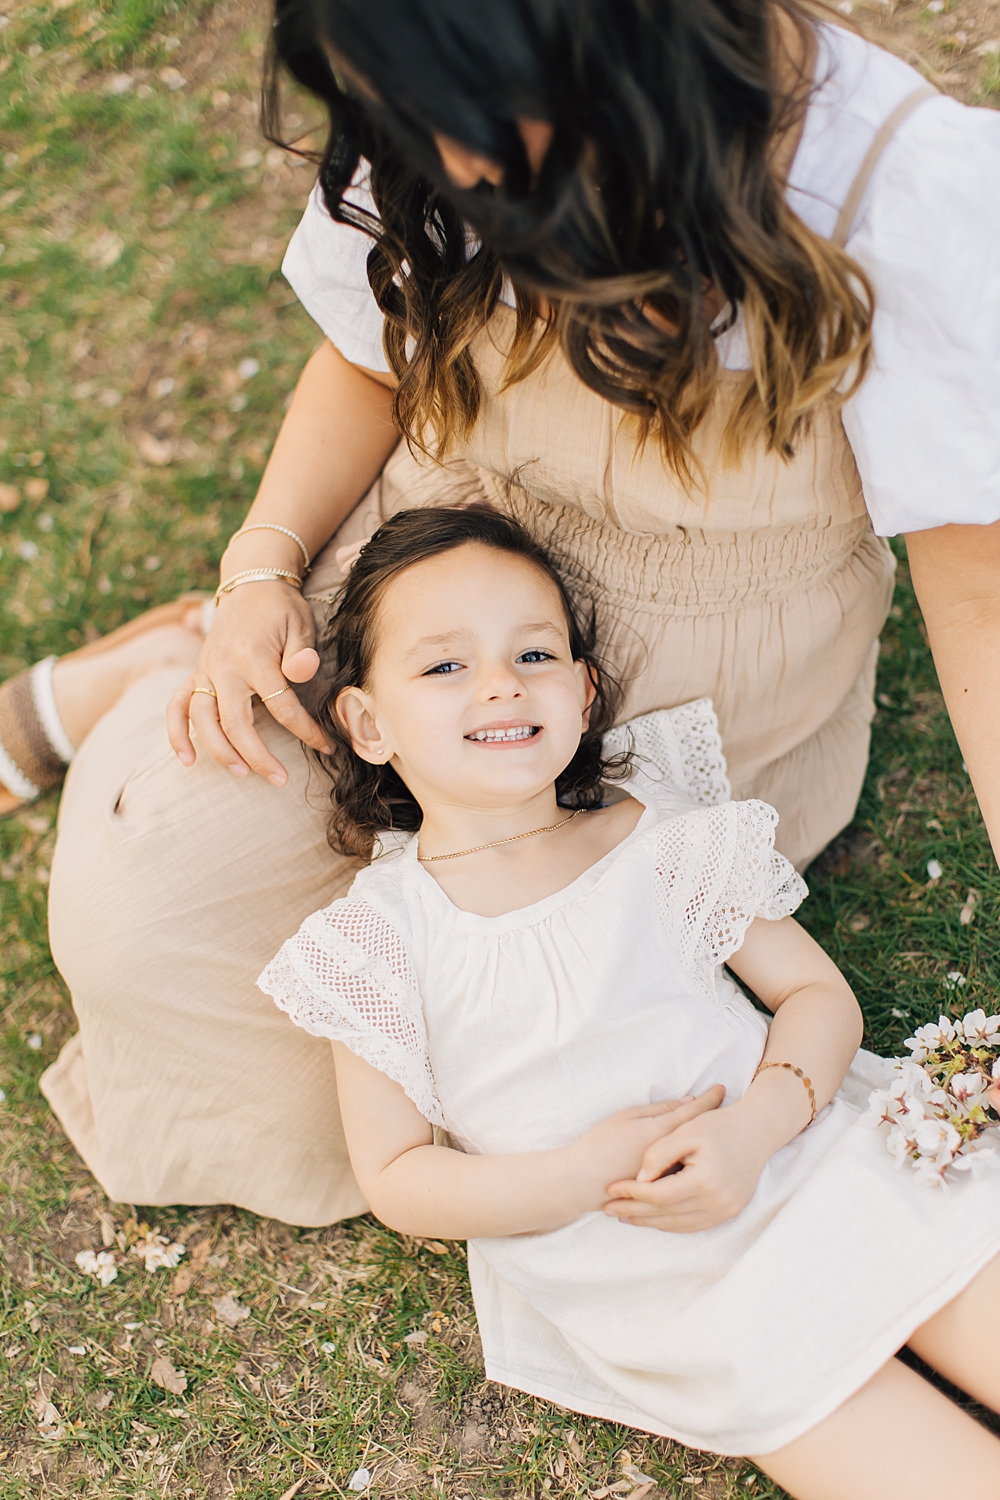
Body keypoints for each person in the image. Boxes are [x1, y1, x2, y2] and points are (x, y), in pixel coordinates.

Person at [1, 0, 996, 1221]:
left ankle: (127, 682)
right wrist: (260, 573)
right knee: (144, 928)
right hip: (416, 601)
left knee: (523, 1065)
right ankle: (146, 669)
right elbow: (367, 361)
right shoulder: (426, 95)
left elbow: (983, 609)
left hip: (684, 680)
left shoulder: (907, 200)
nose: (436, 159)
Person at [259, 504, 1000, 1500]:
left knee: (964, 1270)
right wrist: (571, 1176)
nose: (499, 683)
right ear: (367, 723)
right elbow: (397, 1177)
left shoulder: (657, 836)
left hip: (806, 1159)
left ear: (582, 693)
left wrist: (756, 1130)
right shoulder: (377, 938)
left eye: (534, 653)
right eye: (444, 665)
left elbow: (815, 995)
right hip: (658, 1278)